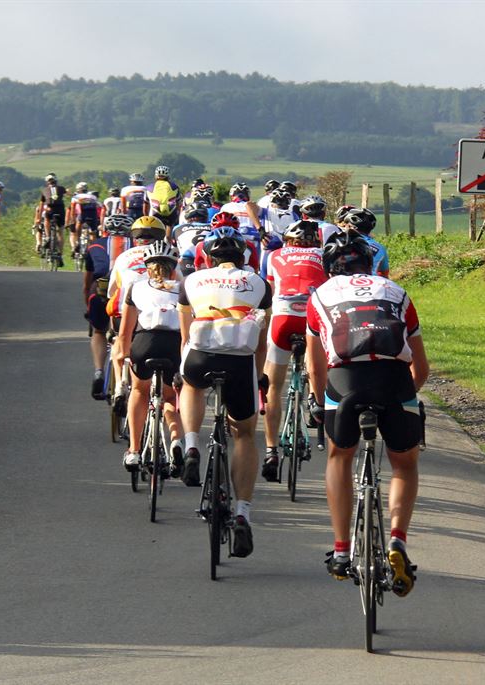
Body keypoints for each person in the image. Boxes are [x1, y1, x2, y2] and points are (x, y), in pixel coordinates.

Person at [305, 232, 428, 596]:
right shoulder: (396, 291)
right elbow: (421, 367)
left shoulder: (320, 295)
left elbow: (315, 367)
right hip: (394, 381)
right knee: (404, 463)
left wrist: (318, 402)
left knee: (339, 456)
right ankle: (397, 540)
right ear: (370, 264)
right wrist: (406, 398)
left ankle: (342, 550)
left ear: (330, 269)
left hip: (345, 382)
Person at [177, 226, 272, 559]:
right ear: (243, 256)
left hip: (200, 355)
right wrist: (258, 377)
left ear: (207, 257)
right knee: (244, 435)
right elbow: (262, 340)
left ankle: (191, 446)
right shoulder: (260, 283)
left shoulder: (191, 281)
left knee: (191, 385)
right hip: (240, 361)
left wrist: (181, 369)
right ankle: (243, 513)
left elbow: (185, 335)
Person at [260, 220, 326, 481]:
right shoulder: (324, 255)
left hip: (283, 318)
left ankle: (271, 450)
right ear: (316, 242)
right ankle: (314, 398)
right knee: (318, 365)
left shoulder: (274, 255)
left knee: (273, 387)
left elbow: (270, 294)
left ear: (288, 241)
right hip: (312, 317)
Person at [117, 241, 185, 475]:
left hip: (144, 343)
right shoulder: (184, 288)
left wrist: (123, 356)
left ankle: (134, 450)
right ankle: (175, 440)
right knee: (170, 397)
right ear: (173, 270)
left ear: (148, 269)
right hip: (174, 345)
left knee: (139, 391)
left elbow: (125, 332)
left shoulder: (136, 288)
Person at [105, 216, 170, 405]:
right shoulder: (170, 254)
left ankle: (120, 383)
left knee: (118, 339)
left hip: (127, 311)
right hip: (160, 315)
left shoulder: (124, 257)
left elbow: (111, 291)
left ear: (135, 238)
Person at [83, 214, 135, 399]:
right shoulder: (136, 246)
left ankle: (98, 370)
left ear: (106, 229)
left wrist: (88, 306)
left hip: (100, 292)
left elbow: (87, 282)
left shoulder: (95, 245)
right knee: (129, 332)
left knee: (98, 331)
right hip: (128, 296)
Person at [189, 213, 262, 273]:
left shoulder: (201, 245)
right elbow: (255, 268)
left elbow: (197, 267)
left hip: (212, 278)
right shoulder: (249, 245)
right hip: (241, 277)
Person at [336, 206, 390, 278]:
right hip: (372, 281)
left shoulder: (341, 242)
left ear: (351, 227)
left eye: (346, 225)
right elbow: (384, 273)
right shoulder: (380, 248)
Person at [172, 202, 213, 276]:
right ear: (205, 216)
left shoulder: (177, 228)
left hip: (186, 262)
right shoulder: (213, 227)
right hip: (209, 261)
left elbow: (175, 248)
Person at [39, 174, 68, 263]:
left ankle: (48, 237)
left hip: (50, 208)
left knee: (47, 220)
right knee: (60, 232)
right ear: (56, 181)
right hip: (60, 209)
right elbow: (68, 194)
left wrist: (39, 217)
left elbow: (41, 205)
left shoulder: (44, 190)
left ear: (47, 182)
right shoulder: (61, 188)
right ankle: (60, 254)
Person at [69, 182, 103, 253]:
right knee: (93, 233)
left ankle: (77, 241)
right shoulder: (93, 196)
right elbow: (98, 206)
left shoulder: (75, 197)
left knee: (78, 225)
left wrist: (72, 220)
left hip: (83, 214)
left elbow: (72, 209)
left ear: (78, 189)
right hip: (93, 214)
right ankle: (93, 248)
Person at [148, 165, 181, 230]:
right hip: (170, 213)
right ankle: (169, 235)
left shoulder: (149, 187)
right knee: (170, 228)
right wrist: (177, 215)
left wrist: (146, 216)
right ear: (168, 176)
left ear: (156, 176)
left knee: (154, 231)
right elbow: (178, 203)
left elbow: (145, 205)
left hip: (155, 212)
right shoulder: (175, 186)